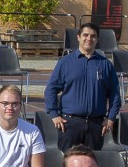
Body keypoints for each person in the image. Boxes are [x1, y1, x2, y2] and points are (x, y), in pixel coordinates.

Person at [45, 22, 121, 152]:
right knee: (68, 165)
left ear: (97, 39)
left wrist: (110, 118)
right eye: (85, 35)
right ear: (78, 37)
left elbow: (114, 94)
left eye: (93, 36)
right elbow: (50, 90)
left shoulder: (106, 65)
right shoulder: (65, 63)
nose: (89, 39)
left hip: (96, 125)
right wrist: (54, 114)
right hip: (69, 125)